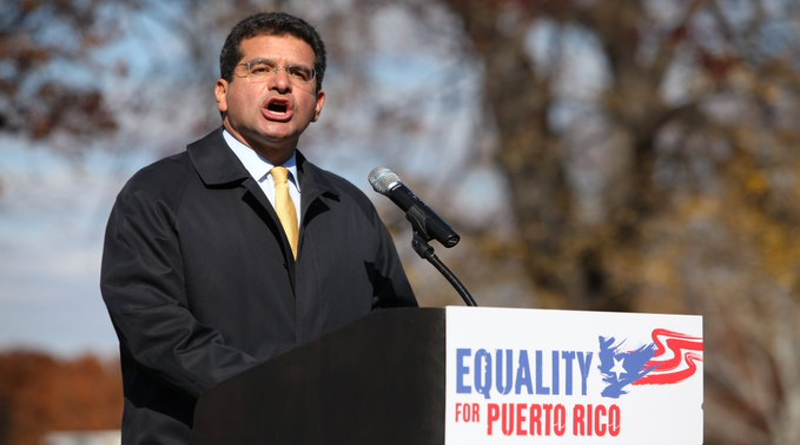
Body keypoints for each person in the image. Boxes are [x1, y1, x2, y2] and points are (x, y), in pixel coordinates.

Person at [100, 11, 417, 445]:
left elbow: (395, 334)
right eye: (260, 68)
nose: (281, 83)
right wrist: (279, 390)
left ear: (318, 103)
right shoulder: (157, 194)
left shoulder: (351, 208)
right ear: (222, 93)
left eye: (299, 73)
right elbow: (155, 328)